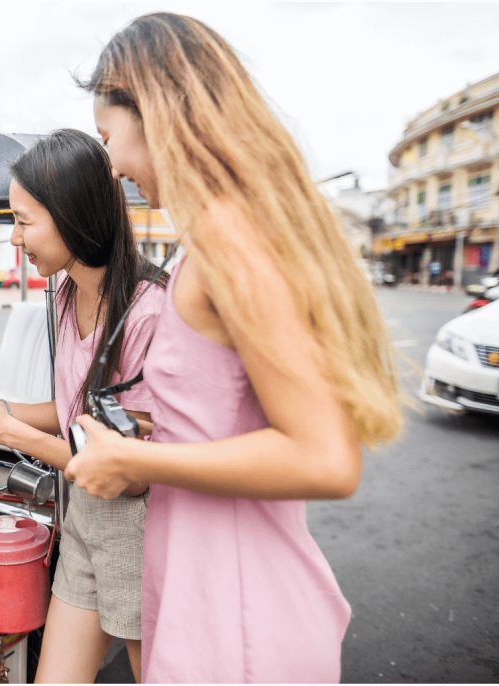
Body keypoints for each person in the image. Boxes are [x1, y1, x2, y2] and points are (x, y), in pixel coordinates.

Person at [64, 13, 403, 683]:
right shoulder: (218, 236)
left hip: (239, 626)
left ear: (153, 107)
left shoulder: (227, 235)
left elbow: (323, 457)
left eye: (109, 138)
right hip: (215, 608)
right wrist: (150, 440)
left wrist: (131, 454)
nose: (113, 167)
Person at [0, 129, 162, 682]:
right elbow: (76, 414)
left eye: (24, 221)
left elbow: (128, 474)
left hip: (140, 529)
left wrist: (2, 430)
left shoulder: (149, 310)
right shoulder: (64, 295)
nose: (13, 238)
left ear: (72, 216)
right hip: (82, 517)